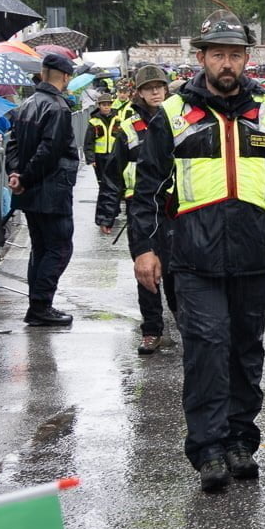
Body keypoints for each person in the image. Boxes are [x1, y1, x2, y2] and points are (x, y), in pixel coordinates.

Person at [128, 9, 265, 493]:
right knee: (207, 349)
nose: (226, 63)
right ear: (202, 58)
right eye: (217, 55)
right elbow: (146, 190)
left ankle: (240, 441)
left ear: (247, 58)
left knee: (246, 351)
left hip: (254, 252)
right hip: (193, 255)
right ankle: (207, 448)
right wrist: (145, 249)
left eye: (235, 55)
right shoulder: (173, 114)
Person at [95, 65, 177, 355]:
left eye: (159, 87)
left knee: (177, 270)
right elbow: (112, 173)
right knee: (147, 272)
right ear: (139, 93)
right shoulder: (129, 128)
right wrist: (106, 212)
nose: (155, 92)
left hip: (175, 208)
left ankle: (185, 322)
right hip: (140, 208)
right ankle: (152, 330)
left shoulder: (179, 121)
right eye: (149, 88)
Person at [5, 52, 80, 327]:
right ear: (66, 77)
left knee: (41, 247)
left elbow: (13, 144)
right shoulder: (57, 108)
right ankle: (40, 305)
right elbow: (50, 150)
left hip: (33, 189)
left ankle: (38, 304)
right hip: (51, 188)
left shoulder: (27, 104)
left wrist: (16, 173)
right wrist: (24, 176)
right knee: (58, 248)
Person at [83, 95, 119, 193]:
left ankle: (112, 197)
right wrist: (91, 158)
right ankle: (103, 196)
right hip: (99, 156)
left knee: (114, 179)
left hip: (114, 154)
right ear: (99, 106)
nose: (106, 107)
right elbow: (89, 141)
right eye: (104, 105)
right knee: (101, 180)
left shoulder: (117, 119)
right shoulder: (94, 121)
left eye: (108, 105)